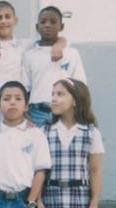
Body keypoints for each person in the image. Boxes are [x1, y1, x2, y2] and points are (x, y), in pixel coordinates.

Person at [43, 78, 105, 208]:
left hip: (80, 198)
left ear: (75, 100)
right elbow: (39, 170)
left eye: (60, 94)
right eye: (52, 94)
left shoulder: (91, 133)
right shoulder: (44, 132)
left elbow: (95, 170)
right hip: (51, 198)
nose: (54, 98)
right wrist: (38, 200)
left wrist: (94, 202)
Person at [22, 6, 87, 127]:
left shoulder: (71, 54)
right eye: (43, 22)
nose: (47, 25)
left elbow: (80, 86)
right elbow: (25, 87)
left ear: (61, 26)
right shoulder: (29, 55)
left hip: (65, 113)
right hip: (37, 113)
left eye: (53, 22)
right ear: (37, 27)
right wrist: (25, 113)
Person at [0, 81, 51, 208]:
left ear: (26, 106)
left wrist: (31, 201)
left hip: (24, 199)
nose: (12, 102)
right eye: (6, 99)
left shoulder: (36, 134)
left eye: (18, 98)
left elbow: (40, 171)